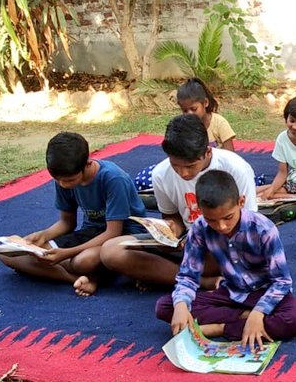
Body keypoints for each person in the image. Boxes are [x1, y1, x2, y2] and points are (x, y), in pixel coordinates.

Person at [156, 170, 296, 349]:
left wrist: (259, 312)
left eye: (228, 217)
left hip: (264, 291)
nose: (221, 226)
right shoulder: (199, 228)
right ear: (200, 210)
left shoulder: (263, 229)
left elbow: (282, 281)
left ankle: (221, 327)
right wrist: (181, 304)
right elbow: (188, 276)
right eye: (212, 220)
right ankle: (243, 317)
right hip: (231, 292)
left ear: (241, 202)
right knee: (166, 307)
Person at [101, 114, 258, 288]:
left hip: (224, 243)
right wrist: (170, 231)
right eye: (176, 165)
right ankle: (202, 281)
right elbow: (173, 217)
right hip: (185, 245)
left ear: (207, 152)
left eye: (190, 166)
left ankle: (164, 274)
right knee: (111, 251)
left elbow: (248, 223)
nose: (183, 173)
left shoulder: (235, 168)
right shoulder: (161, 174)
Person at [0, 132, 146, 296]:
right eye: (58, 179)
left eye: (69, 180)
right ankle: (75, 278)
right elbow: (67, 223)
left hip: (123, 236)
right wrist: (43, 236)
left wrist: (65, 254)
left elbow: (112, 232)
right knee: (7, 252)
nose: (63, 184)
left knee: (83, 262)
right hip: (90, 233)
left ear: (87, 164)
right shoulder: (62, 178)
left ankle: (89, 273)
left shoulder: (113, 179)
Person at [134, 78, 237, 192]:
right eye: (185, 110)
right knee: (147, 177)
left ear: (205, 103)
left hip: (212, 172)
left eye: (193, 109)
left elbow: (230, 155)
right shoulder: (182, 126)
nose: (190, 114)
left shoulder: (219, 123)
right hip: (189, 171)